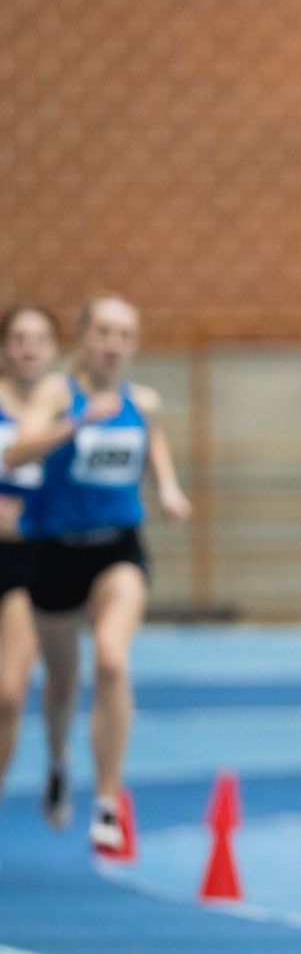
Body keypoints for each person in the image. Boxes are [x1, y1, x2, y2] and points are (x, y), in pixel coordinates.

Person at [3, 296, 191, 854]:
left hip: (118, 549)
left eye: (124, 334)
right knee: (61, 682)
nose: (113, 343)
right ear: (83, 339)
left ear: (133, 345)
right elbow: (15, 453)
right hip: (54, 551)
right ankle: (59, 761)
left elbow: (151, 440)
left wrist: (170, 488)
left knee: (110, 655)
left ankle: (107, 801)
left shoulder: (143, 401)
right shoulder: (57, 394)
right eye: (103, 332)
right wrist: (77, 422)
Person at [0, 306, 60, 815]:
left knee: (9, 694)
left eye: (40, 339)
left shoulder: (65, 411)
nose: (29, 348)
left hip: (30, 561)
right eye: (20, 338)